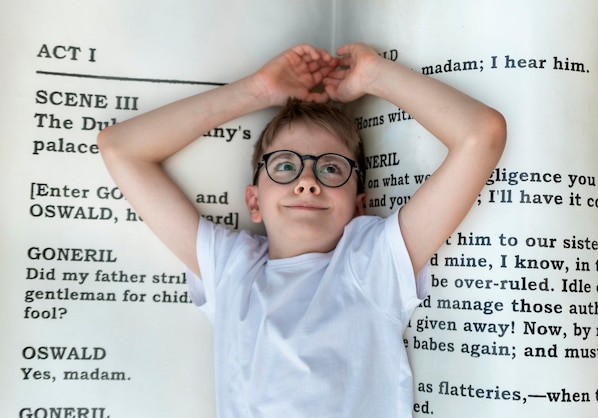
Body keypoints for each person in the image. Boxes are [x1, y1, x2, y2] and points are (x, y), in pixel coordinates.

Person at [98, 43, 506, 417]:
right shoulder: (231, 270)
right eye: (285, 166)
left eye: (331, 168)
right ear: (254, 201)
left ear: (358, 205)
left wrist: (374, 76)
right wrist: (258, 91)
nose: (306, 181)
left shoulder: (371, 263)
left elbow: (480, 134)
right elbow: (121, 148)